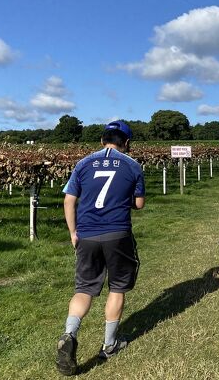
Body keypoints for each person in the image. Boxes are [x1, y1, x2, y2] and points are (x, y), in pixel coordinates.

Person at [56, 121, 145, 376]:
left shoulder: (83, 164)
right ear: (126, 142)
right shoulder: (132, 165)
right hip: (118, 234)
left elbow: (69, 200)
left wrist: (74, 233)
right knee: (117, 287)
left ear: (102, 140)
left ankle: (69, 333)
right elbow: (139, 204)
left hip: (87, 235)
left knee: (84, 288)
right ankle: (109, 344)